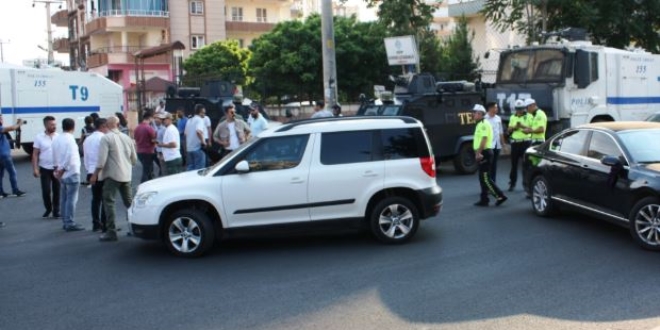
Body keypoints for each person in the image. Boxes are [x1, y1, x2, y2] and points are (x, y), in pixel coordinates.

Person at [90, 116, 137, 242]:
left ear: (107, 124)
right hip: (126, 175)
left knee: (109, 202)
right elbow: (134, 159)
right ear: (118, 124)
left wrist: (95, 174)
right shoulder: (127, 138)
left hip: (112, 175)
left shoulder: (106, 138)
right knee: (129, 203)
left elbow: (101, 161)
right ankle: (134, 227)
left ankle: (111, 231)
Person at [52, 118, 84, 232]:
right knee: (71, 199)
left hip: (62, 173)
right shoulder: (70, 139)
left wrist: (57, 168)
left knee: (64, 198)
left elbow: (54, 154)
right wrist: (63, 168)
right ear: (73, 127)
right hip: (71, 171)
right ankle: (70, 222)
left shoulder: (57, 138)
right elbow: (70, 155)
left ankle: (65, 221)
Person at [472, 104, 507, 207]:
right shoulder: (480, 123)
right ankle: (484, 199)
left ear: (479, 114)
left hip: (485, 153)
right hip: (484, 152)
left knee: (486, 178)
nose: (473, 114)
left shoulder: (483, 124)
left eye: (474, 113)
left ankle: (500, 196)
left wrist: (478, 153)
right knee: (482, 178)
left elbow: (484, 139)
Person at [32, 115, 60, 218]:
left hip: (57, 168)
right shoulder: (39, 137)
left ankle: (56, 210)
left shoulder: (58, 136)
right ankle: (49, 208)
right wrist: (35, 168)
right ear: (46, 125)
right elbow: (35, 154)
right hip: (44, 168)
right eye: (52, 124)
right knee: (46, 190)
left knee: (57, 190)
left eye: (55, 124)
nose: (54, 126)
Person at [83, 117, 108, 232]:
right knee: (106, 199)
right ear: (102, 126)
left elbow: (86, 157)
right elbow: (105, 157)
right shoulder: (104, 138)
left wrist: (89, 170)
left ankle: (96, 224)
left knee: (95, 199)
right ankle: (105, 224)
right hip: (102, 171)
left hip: (91, 171)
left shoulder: (88, 139)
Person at [507, 99, 532, 192]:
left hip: (526, 143)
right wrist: (514, 127)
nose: (519, 111)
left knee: (526, 165)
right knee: (513, 165)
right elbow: (509, 130)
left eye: (520, 109)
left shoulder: (529, 116)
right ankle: (512, 183)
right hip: (515, 143)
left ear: (524, 108)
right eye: (517, 109)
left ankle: (526, 185)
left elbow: (532, 128)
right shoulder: (512, 117)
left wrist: (522, 126)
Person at [0, 114, 26, 199]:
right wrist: (19, 123)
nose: (2, 120)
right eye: (0, 118)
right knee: (12, 172)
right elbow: (12, 128)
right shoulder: (1, 128)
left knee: (1, 174)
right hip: (4, 155)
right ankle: (15, 190)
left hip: (2, 154)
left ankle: (1, 192)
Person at [484, 102, 505, 183]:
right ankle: (488, 183)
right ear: (490, 108)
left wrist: (504, 145)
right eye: (495, 107)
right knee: (488, 165)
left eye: (497, 107)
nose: (497, 109)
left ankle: (493, 183)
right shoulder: (484, 119)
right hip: (489, 145)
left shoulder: (498, 118)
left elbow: (500, 132)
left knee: (494, 165)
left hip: (497, 145)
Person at [133, 112, 156, 183]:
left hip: (139, 151)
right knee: (146, 171)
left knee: (147, 170)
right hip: (148, 151)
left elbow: (135, 138)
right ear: (149, 118)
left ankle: (150, 184)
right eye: (152, 118)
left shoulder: (137, 128)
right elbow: (154, 139)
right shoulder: (149, 128)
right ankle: (142, 185)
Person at [184, 104, 208, 170]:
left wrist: (186, 147)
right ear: (200, 112)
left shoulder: (189, 120)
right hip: (198, 148)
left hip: (189, 149)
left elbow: (185, 134)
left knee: (190, 168)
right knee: (199, 170)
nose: (204, 115)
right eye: (203, 113)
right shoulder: (199, 120)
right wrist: (204, 142)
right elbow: (198, 131)